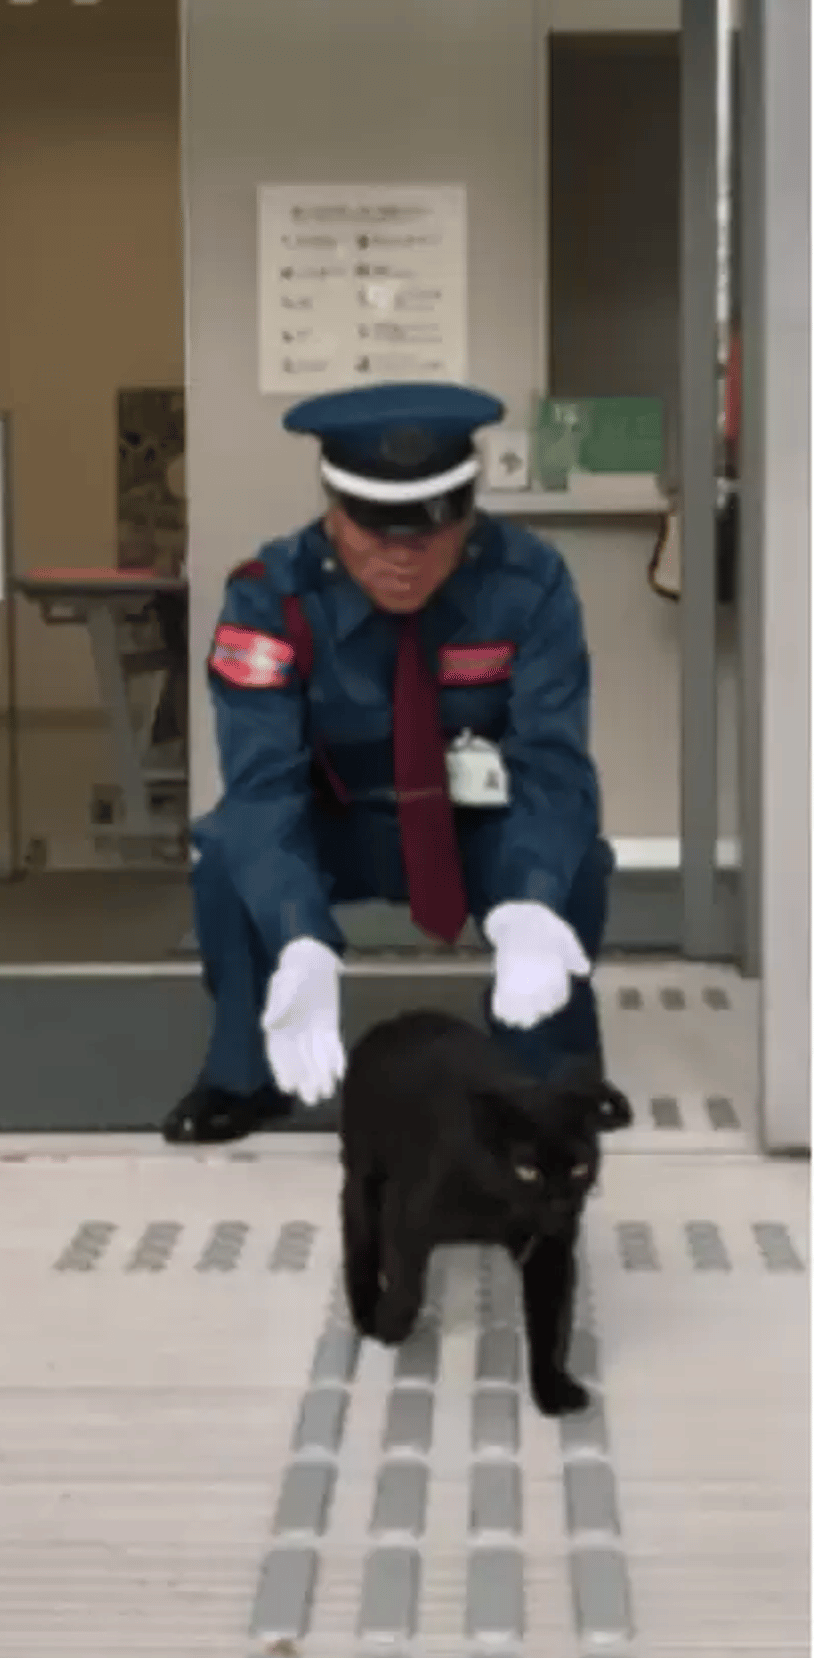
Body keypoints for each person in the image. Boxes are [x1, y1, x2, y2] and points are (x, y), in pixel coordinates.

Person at [164, 381, 608, 1145]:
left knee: (577, 864)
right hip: (337, 822)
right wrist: (300, 933)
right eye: (376, 535)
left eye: (427, 536)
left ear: (465, 514)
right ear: (336, 513)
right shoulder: (271, 597)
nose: (402, 560)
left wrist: (529, 899)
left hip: (476, 825)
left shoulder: (529, 583)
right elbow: (262, 787)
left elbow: (552, 765)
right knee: (229, 858)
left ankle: (547, 1072)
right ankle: (244, 1073)